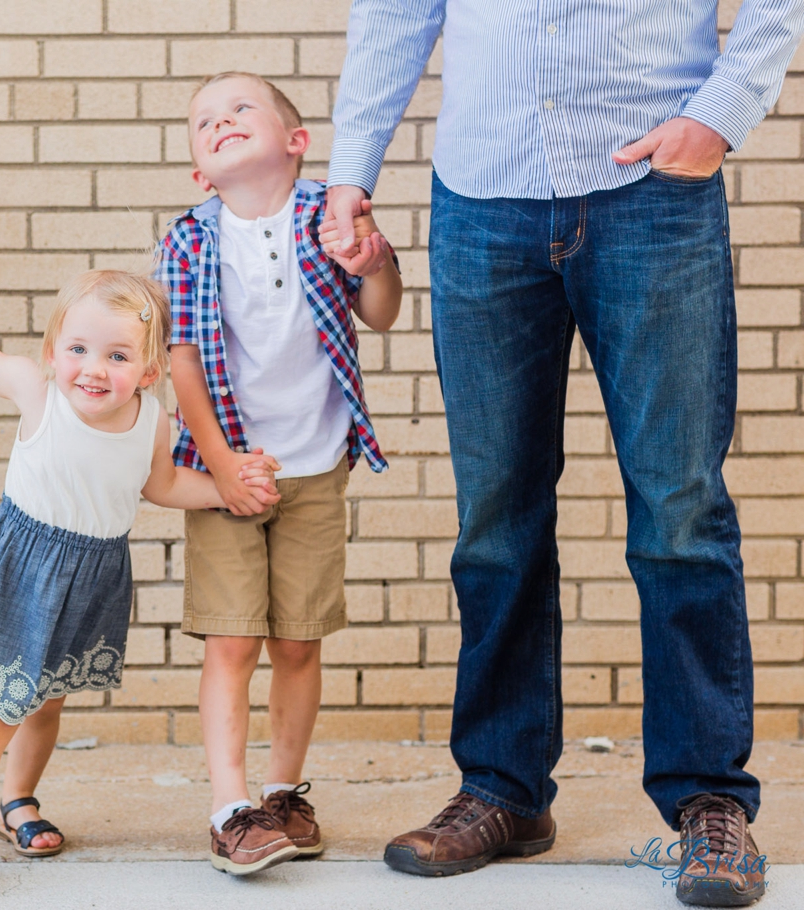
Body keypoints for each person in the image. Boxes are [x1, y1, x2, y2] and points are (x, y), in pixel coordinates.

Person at [328, 1, 804, 905]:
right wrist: (352, 168)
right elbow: (396, 10)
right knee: (496, 519)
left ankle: (707, 800)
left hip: (651, 194)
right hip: (479, 199)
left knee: (679, 509)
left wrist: (720, 112)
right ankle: (502, 790)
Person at [0, 269, 280, 890]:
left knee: (46, 703)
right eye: (78, 350)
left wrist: (226, 493)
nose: (93, 369)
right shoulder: (38, 392)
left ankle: (18, 799)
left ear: (149, 371)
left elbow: (162, 485)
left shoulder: (152, 421)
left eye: (117, 356)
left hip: (94, 574)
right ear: (53, 351)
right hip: (26, 567)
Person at [155, 72, 402, 876]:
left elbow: (380, 310)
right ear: (199, 171)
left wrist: (376, 258)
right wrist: (222, 465)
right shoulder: (191, 237)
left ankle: (283, 793)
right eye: (204, 122)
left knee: (297, 643)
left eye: (238, 110)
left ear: (296, 143)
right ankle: (231, 810)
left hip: (316, 466)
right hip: (227, 472)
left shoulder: (327, 214)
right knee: (230, 640)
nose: (220, 122)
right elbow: (181, 359)